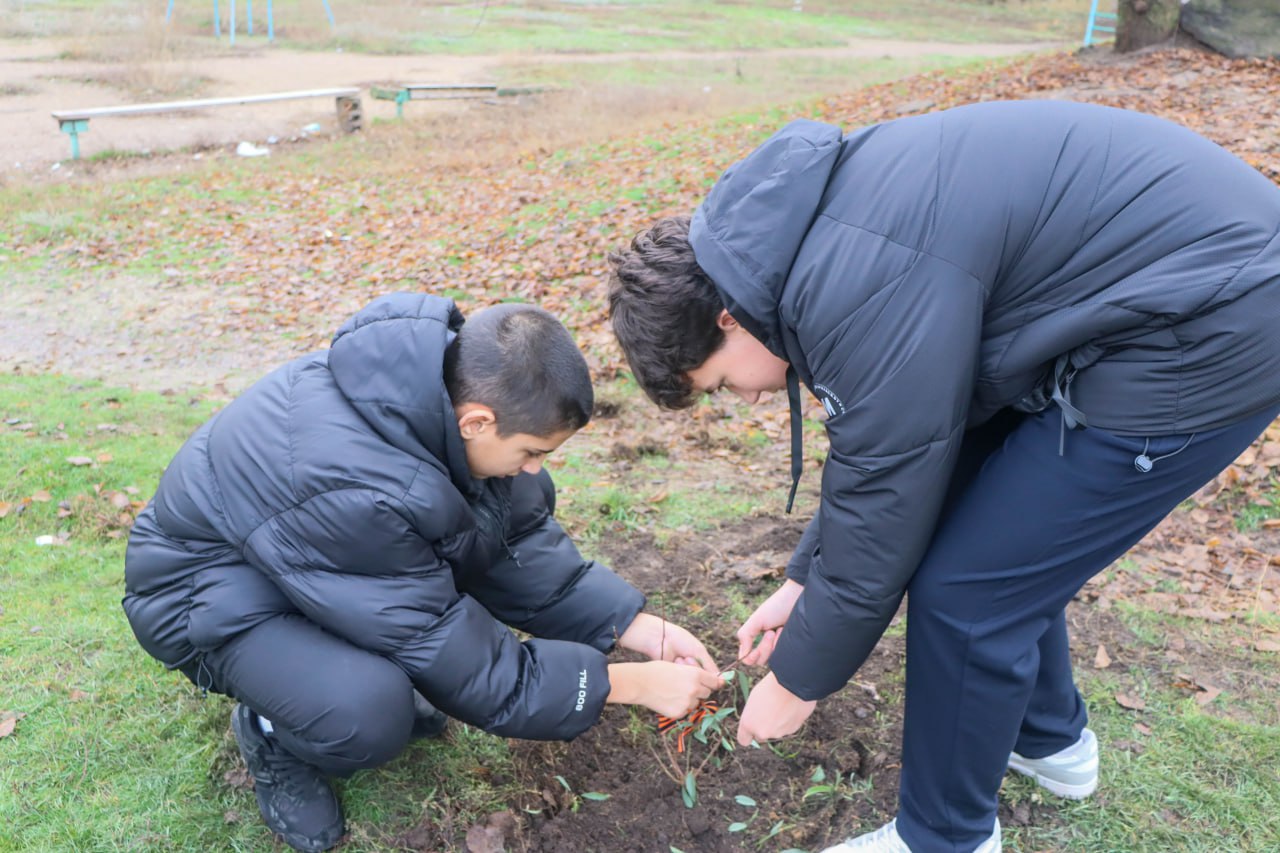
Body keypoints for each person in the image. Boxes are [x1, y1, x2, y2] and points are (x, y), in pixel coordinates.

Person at [607, 100, 1280, 852]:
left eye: (722, 384)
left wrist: (796, 682)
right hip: (1179, 292)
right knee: (999, 538)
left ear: (728, 319)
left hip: (1212, 323)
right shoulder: (808, 238)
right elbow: (903, 449)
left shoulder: (853, 282)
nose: (751, 396)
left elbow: (889, 493)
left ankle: (944, 838)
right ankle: (1052, 743)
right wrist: (803, 580)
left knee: (968, 593)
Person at [122, 292, 723, 853]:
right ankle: (272, 733)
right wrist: (630, 685)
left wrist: (633, 625)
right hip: (204, 595)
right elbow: (468, 666)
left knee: (423, 616)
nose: (534, 470)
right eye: (533, 451)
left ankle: (320, 664)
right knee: (367, 713)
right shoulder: (358, 489)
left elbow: (512, 539)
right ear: (478, 422)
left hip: (313, 561)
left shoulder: (430, 401)